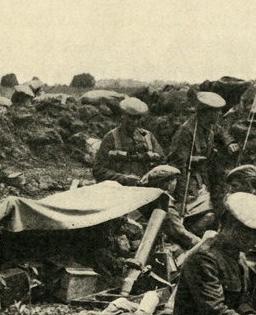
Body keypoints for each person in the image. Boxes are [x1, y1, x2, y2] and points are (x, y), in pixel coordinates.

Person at [167, 91, 238, 231]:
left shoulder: (209, 125)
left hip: (203, 177)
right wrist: (180, 199)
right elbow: (178, 166)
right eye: (216, 112)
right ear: (206, 113)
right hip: (188, 181)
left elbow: (221, 131)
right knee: (206, 217)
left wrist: (229, 142)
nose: (219, 115)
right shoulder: (186, 132)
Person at [92, 97, 164, 186]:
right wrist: (122, 178)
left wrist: (149, 176)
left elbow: (162, 162)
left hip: (144, 188)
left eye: (138, 118)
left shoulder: (148, 136)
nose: (135, 122)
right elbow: (98, 169)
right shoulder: (111, 138)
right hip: (119, 189)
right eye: (131, 118)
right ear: (123, 116)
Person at [141, 164, 201, 249]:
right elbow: (181, 234)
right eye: (174, 180)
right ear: (169, 184)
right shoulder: (165, 205)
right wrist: (201, 242)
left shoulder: (146, 197)